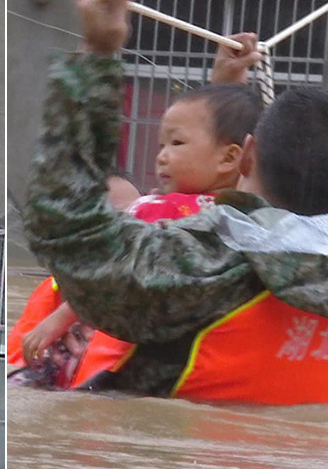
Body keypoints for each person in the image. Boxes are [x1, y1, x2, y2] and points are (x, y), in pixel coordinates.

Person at [22, 0, 328, 404]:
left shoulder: (200, 269)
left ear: (243, 154)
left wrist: (96, 58)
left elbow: (69, 228)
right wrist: (223, 96)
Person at [15, 82, 262, 371]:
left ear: (230, 157)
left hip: (117, 348)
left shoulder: (156, 211)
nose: (161, 156)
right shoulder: (248, 216)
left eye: (176, 143)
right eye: (161, 145)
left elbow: (111, 276)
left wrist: (59, 319)